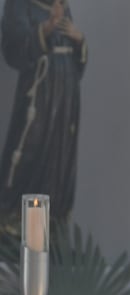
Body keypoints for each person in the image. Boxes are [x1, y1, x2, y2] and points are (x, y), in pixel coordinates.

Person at [0, 0, 86, 228]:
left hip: (66, 91)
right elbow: (12, 49)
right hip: (39, 91)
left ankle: (53, 224)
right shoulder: (18, 4)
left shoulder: (62, 5)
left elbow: (78, 62)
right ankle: (16, 222)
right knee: (31, 148)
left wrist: (79, 40)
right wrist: (45, 30)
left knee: (60, 157)